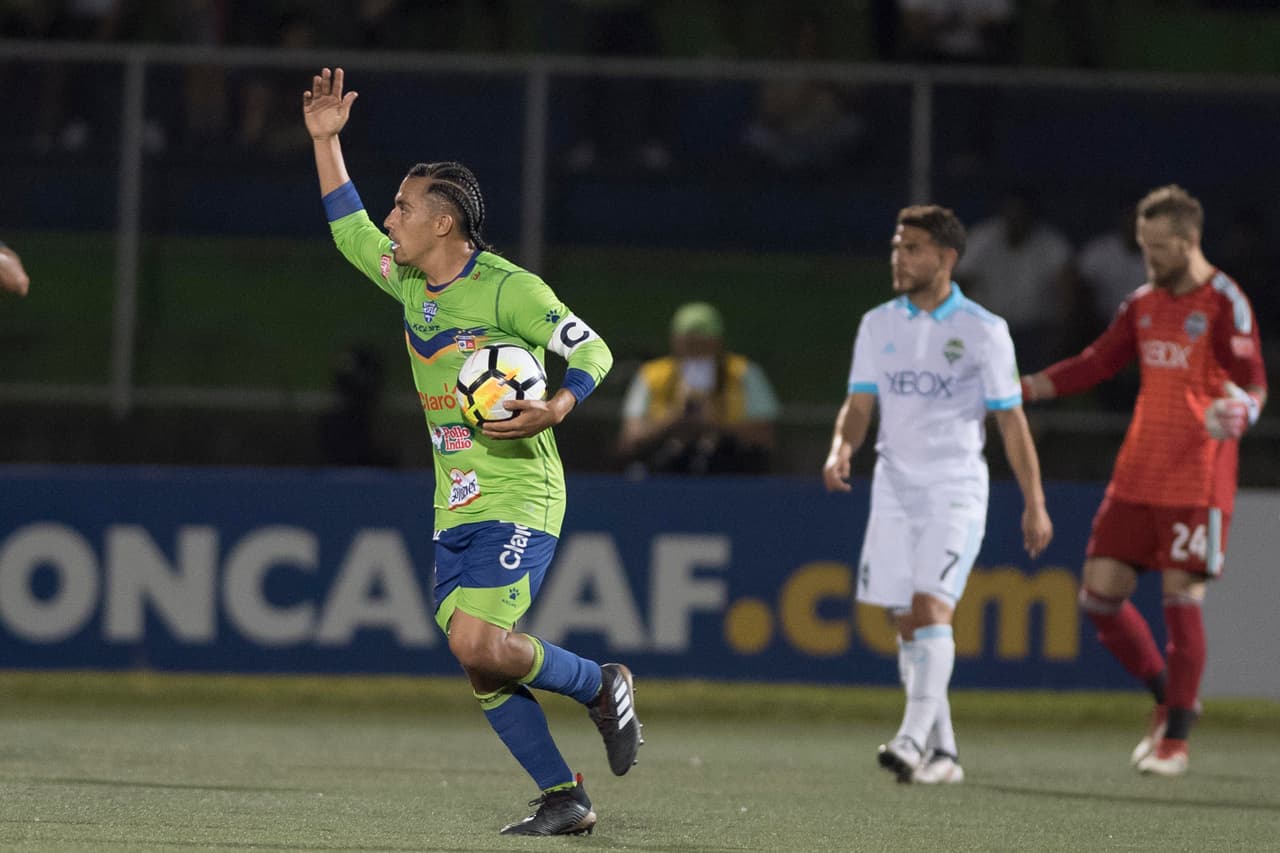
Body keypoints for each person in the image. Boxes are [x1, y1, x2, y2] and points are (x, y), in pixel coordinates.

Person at [303, 67, 642, 836]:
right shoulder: (410, 282)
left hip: (523, 494)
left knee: (476, 639)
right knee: (480, 660)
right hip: (453, 502)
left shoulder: (509, 290)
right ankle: (565, 795)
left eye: (404, 206)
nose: (391, 218)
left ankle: (599, 683)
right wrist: (327, 143)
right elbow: (347, 225)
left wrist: (556, 404)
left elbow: (594, 350)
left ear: (445, 224)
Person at [1021, 185, 1267, 777]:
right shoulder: (1142, 302)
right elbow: (1097, 363)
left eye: (1158, 248)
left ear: (1189, 241)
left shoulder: (1226, 301)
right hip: (1136, 475)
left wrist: (1241, 413)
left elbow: (1254, 384)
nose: (1149, 259)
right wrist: (1024, 388)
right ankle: (1167, 698)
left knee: (1182, 603)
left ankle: (1175, 742)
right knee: (1098, 600)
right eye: (1142, 246)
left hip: (1197, 478)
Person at [823, 204, 1053, 785]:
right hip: (894, 486)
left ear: (946, 258)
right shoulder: (878, 324)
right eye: (897, 248)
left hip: (955, 486)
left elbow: (1011, 421)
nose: (899, 259)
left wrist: (1035, 501)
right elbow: (860, 402)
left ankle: (908, 739)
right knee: (908, 623)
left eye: (913, 249)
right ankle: (944, 754)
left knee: (931, 608)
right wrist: (841, 446)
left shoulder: (984, 330)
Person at [617, 301, 780, 475]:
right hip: (665, 464)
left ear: (718, 342)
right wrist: (675, 417)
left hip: (730, 466)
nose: (695, 351)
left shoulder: (744, 373)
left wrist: (715, 423)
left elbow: (765, 438)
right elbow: (631, 438)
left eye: (703, 343)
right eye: (689, 343)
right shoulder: (652, 375)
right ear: (675, 341)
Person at [954, 188, 1074, 369]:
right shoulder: (982, 238)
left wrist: (1060, 335)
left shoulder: (1051, 244)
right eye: (1011, 212)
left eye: (1022, 212)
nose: (1016, 218)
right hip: (989, 329)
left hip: (1036, 333)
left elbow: (1067, 291)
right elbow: (959, 283)